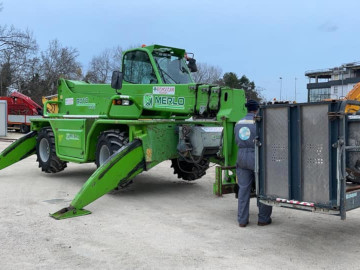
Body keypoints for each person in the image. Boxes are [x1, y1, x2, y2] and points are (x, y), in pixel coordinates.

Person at [234, 99, 272, 227]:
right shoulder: (260, 121)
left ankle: (242, 220)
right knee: (263, 188)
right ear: (257, 109)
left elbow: (236, 140)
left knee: (243, 190)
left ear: (247, 109)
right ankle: (263, 219)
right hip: (257, 155)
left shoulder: (238, 123)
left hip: (241, 156)